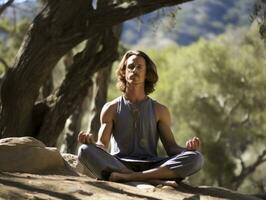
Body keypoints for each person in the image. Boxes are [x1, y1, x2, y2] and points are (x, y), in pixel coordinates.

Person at [77, 50, 203, 185]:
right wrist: (91, 143)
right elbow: (102, 145)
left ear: (146, 73)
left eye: (139, 67)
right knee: (84, 150)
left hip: (152, 165)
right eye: (130, 67)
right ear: (124, 72)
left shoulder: (160, 110)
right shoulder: (111, 108)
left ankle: (129, 178)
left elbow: (171, 148)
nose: (134, 70)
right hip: (120, 164)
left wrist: (187, 150)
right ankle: (151, 180)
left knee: (196, 158)